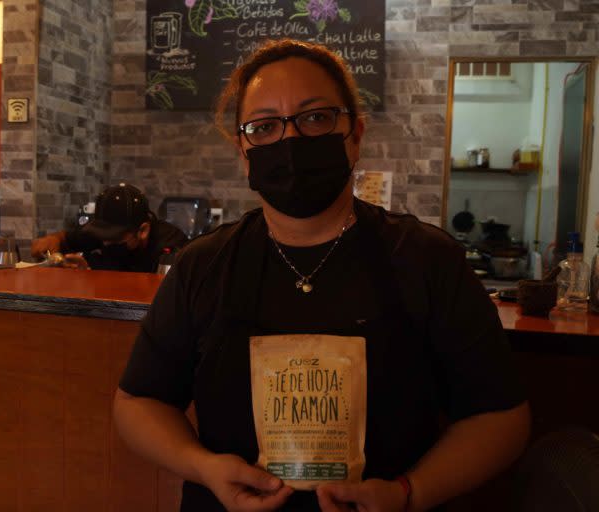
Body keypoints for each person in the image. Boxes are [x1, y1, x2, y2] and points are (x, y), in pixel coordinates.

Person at [114, 39, 530, 512]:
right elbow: (137, 403)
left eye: (315, 118)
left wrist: (408, 493)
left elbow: (501, 417)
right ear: (243, 150)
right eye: (265, 126)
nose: (290, 142)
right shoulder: (201, 265)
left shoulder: (427, 259)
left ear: (355, 134)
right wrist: (202, 466)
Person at [31, 183, 188, 272]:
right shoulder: (101, 234)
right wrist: (52, 241)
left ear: (143, 231)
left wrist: (91, 271)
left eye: (114, 237)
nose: (105, 243)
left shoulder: (170, 247)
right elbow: (64, 238)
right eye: (102, 236)